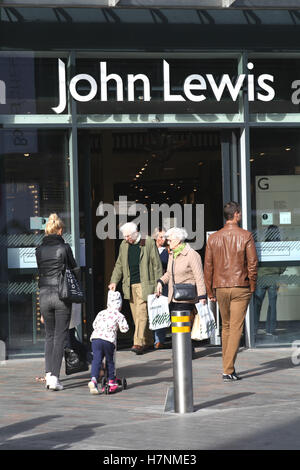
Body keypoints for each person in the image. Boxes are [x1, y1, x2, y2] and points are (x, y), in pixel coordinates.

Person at [204, 201, 258, 382]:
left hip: (220, 287)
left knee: (226, 327)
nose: (240, 215)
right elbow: (252, 264)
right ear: (236, 214)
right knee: (235, 328)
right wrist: (252, 285)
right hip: (240, 286)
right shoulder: (246, 236)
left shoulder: (214, 238)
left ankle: (228, 367)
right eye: (239, 213)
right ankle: (227, 369)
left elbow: (208, 267)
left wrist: (209, 289)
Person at [35, 213, 77, 391]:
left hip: (44, 294)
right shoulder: (65, 248)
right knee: (60, 336)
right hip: (61, 295)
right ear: (59, 230)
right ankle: (54, 378)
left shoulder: (39, 249)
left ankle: (48, 374)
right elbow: (74, 269)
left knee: (49, 336)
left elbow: (41, 270)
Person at [108, 222, 163, 355]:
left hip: (145, 284)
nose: (126, 239)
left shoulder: (148, 242)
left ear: (135, 233)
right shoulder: (124, 245)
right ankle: (148, 340)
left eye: (127, 236)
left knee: (141, 314)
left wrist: (159, 284)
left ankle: (138, 343)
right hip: (130, 285)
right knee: (137, 315)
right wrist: (114, 281)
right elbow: (119, 264)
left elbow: (157, 265)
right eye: (124, 236)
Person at [156, 227, 207, 351]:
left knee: (184, 327)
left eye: (170, 240)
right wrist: (160, 282)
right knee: (177, 328)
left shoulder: (191, 254)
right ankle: (182, 351)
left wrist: (202, 296)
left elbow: (199, 276)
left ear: (178, 240)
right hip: (173, 296)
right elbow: (169, 273)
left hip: (186, 297)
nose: (168, 242)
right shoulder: (172, 254)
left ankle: (186, 351)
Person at [88, 290, 129, 395]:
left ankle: (93, 380)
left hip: (96, 339)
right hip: (108, 340)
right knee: (110, 361)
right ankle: (111, 381)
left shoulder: (101, 313)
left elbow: (94, 325)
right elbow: (125, 328)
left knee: (96, 360)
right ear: (119, 304)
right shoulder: (119, 315)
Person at [254, 225, 285, 338]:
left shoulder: (262, 245)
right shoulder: (280, 246)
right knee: (272, 305)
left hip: (261, 277)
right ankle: (270, 330)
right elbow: (284, 263)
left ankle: (254, 328)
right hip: (273, 278)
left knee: (257, 304)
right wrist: (279, 272)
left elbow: (256, 260)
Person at [152, 227, 169, 349]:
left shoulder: (168, 251)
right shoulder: (150, 249)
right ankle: (154, 339)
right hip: (152, 282)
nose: (163, 239)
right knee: (154, 310)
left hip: (165, 283)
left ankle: (159, 340)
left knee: (162, 309)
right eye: (161, 236)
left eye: (165, 237)